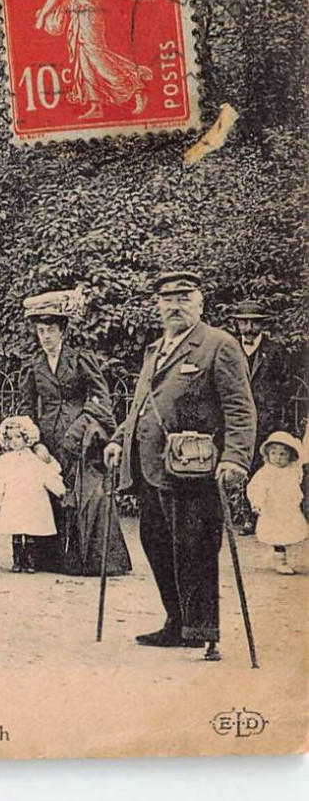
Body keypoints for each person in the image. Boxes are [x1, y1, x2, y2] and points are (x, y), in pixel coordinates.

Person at [105, 271, 257, 662]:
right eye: (167, 298)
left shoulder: (218, 345)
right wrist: (119, 440)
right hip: (151, 467)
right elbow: (141, 404)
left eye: (184, 297)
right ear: (158, 306)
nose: (174, 305)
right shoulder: (155, 349)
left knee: (195, 547)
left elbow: (240, 408)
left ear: (200, 303)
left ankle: (204, 631)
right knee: (156, 544)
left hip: (195, 469)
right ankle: (177, 622)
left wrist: (236, 458)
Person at [18, 288, 130, 576]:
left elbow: (101, 399)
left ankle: (92, 562)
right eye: (41, 331)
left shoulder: (80, 359)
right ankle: (48, 559)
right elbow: (26, 406)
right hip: (48, 441)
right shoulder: (34, 366)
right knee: (49, 493)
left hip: (82, 439)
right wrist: (34, 441)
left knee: (86, 495)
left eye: (51, 330)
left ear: (63, 331)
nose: (45, 336)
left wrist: (81, 427)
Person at [33, 0, 160, 120]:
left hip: (89, 19)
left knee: (98, 58)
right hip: (80, 18)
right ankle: (96, 105)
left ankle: (135, 86)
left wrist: (42, 15)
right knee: (84, 61)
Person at [225, 300, 297, 534]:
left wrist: (274, 410)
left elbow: (286, 385)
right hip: (236, 419)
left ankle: (263, 518)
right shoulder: (230, 349)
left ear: (261, 325)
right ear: (236, 324)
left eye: (253, 323)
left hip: (266, 419)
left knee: (262, 467)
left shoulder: (274, 351)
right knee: (240, 464)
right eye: (243, 322)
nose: (248, 328)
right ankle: (244, 515)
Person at [0, 415, 66, 573]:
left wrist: (60, 491)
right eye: (10, 438)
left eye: (18, 437)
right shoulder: (4, 461)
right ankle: (17, 560)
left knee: (31, 531)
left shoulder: (34, 460)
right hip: (14, 501)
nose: (14, 441)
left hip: (32, 501)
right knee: (16, 531)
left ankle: (31, 561)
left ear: (27, 438)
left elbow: (46, 476)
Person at [246, 432, 306, 576]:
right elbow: (256, 487)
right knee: (278, 536)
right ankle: (281, 561)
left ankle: (275, 554)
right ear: (267, 454)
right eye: (274, 453)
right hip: (273, 509)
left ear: (290, 456)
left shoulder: (292, 469)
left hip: (288, 509)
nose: (278, 458)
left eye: (282, 454)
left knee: (289, 534)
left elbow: (300, 466)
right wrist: (257, 503)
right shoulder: (266, 472)